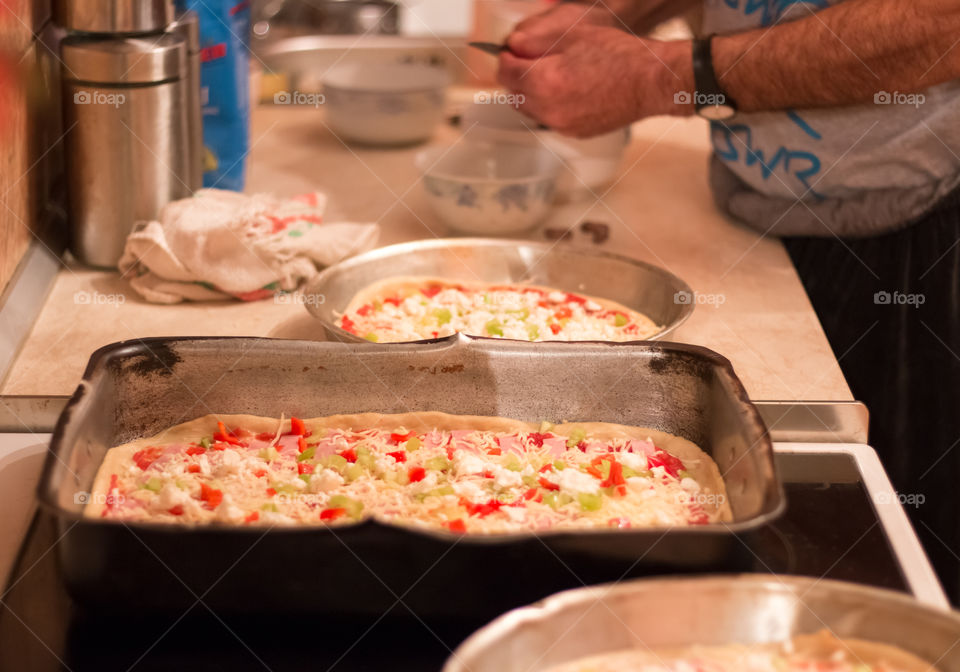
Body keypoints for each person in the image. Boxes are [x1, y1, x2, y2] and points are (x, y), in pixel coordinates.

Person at [498, 0, 960, 600]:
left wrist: (660, 75)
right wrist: (607, 16)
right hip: (758, 202)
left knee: (914, 548)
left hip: (928, 223)